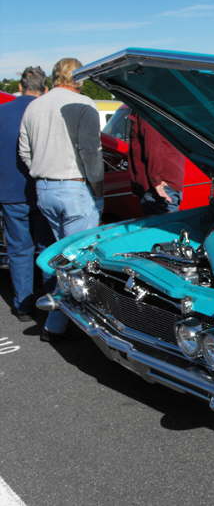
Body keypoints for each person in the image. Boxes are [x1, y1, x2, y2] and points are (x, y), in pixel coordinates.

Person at [19, 57, 103, 342]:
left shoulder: (34, 106)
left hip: (44, 188)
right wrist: (99, 187)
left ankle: (58, 316)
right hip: (75, 189)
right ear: (78, 78)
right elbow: (91, 151)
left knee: (60, 255)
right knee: (77, 259)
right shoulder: (83, 104)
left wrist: (40, 171)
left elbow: (25, 150)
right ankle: (57, 324)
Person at [0, 66, 52, 322]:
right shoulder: (46, 112)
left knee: (19, 248)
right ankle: (53, 298)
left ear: (20, 87)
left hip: (10, 192)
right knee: (46, 246)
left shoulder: (2, 112)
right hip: (43, 188)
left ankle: (23, 303)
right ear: (44, 89)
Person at [128, 114, 185, 215]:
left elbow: (153, 148)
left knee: (163, 226)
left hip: (160, 184)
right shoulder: (159, 110)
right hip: (164, 182)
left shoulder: (146, 113)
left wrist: (156, 182)